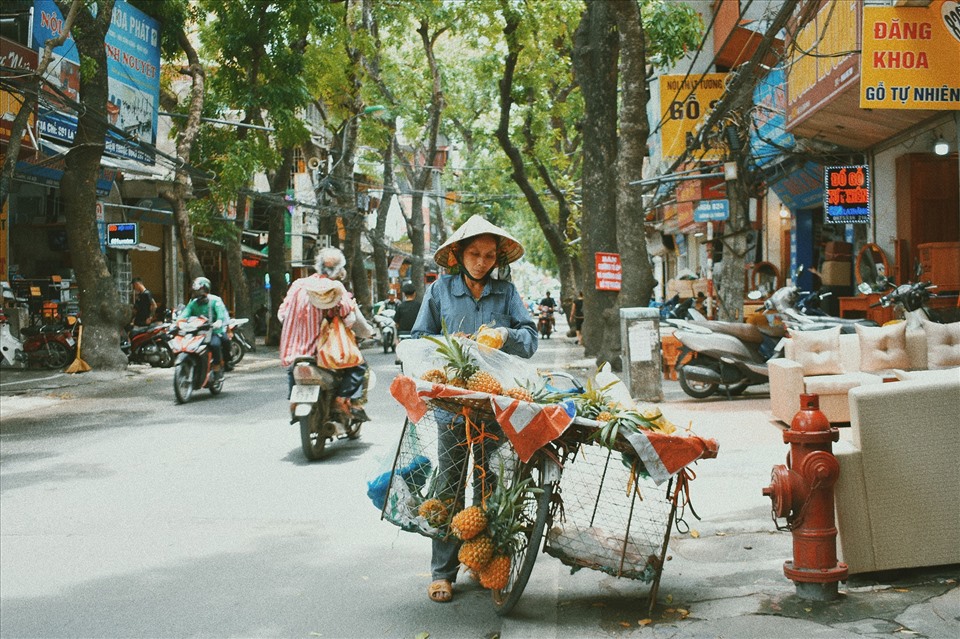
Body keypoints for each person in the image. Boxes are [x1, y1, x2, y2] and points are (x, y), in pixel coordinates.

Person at [411, 214, 537, 604]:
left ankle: (482, 565)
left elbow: (530, 339)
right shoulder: (440, 291)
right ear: (458, 255)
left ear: (497, 258)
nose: (481, 262)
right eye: (474, 254)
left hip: (495, 407)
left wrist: (505, 334)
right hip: (453, 407)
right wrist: (449, 347)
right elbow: (417, 339)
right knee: (449, 486)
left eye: (488, 255)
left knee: (488, 486)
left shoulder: (506, 293)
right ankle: (442, 572)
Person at [278, 247, 373, 418]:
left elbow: (282, 315)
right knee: (359, 366)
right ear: (338, 270)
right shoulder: (334, 287)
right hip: (323, 355)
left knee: (293, 366)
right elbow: (349, 318)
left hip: (294, 353)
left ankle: (294, 400)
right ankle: (341, 398)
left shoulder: (297, 284)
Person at [179, 277, 229, 380]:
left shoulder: (215, 300)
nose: (197, 293)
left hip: (214, 331)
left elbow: (220, 314)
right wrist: (179, 322)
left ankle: (216, 368)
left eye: (199, 290)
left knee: (215, 345)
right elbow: (184, 314)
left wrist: (219, 321)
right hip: (197, 332)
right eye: (195, 291)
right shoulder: (193, 303)